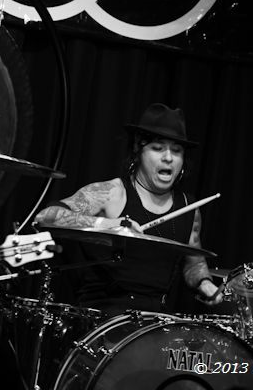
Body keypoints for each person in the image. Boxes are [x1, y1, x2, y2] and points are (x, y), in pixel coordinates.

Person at [34, 103, 222, 315]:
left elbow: (194, 264)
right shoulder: (111, 193)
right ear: (137, 149)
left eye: (176, 151)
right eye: (158, 148)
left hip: (155, 321)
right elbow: (46, 216)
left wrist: (206, 284)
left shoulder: (189, 208)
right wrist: (110, 224)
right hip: (103, 316)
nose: (168, 158)